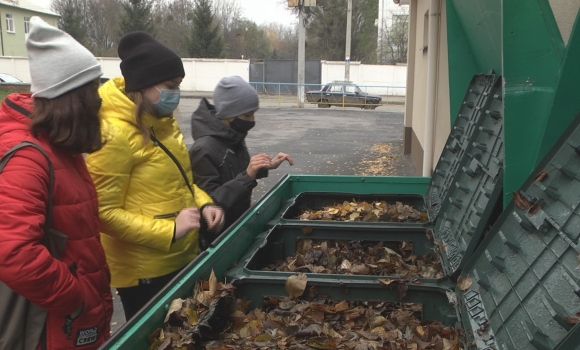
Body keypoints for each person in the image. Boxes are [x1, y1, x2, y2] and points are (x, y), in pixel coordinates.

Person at [85, 31, 224, 321]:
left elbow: (181, 182)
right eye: (170, 86)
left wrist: (204, 204)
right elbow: (102, 212)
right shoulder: (113, 134)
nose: (176, 93)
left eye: (179, 85)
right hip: (145, 271)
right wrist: (170, 231)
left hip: (178, 257)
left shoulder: (162, 123)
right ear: (144, 85)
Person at [0, 17, 112, 349]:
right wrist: (76, 299)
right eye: (93, 90)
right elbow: (13, 251)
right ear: (73, 98)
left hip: (72, 322)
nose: (99, 99)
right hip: (50, 328)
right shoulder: (30, 158)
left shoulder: (60, 146)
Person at [189, 75, 293, 247]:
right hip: (216, 240)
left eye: (253, 114)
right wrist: (248, 175)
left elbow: (236, 172)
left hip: (237, 226)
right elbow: (209, 202)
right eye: (247, 115)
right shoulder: (204, 149)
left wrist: (266, 166)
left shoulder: (233, 137)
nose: (252, 121)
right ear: (228, 114)